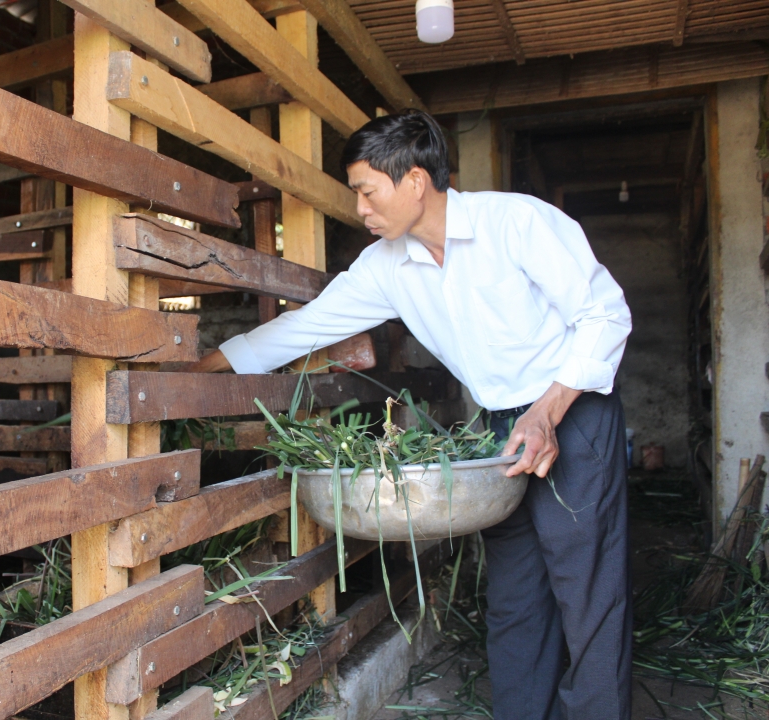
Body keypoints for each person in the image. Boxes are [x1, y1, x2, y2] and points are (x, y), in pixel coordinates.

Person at [188, 110, 633, 720]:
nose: (361, 209)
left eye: (367, 192)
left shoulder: (519, 223)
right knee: (514, 596)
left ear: (416, 181)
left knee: (587, 592)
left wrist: (548, 411)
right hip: (501, 429)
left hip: (574, 414)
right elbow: (305, 327)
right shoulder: (386, 266)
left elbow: (606, 314)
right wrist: (196, 373)